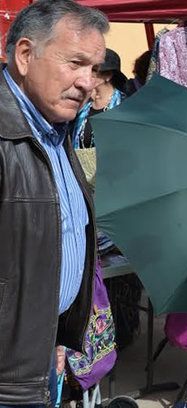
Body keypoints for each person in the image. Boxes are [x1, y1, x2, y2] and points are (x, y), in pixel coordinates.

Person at [0, 0, 107, 405]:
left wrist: (58, 336)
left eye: (94, 68)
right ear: (26, 56)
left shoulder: (53, 130)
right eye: (75, 62)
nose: (87, 82)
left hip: (41, 355)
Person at [73, 48, 126, 149]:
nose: (87, 74)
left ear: (108, 76)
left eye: (94, 70)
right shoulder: (83, 105)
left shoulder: (125, 106)